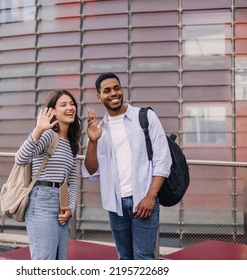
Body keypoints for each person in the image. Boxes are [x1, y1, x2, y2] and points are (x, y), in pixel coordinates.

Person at [81, 73, 172, 260]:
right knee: (124, 258)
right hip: (116, 205)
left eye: (117, 88)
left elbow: (163, 160)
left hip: (143, 200)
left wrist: (150, 196)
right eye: (107, 91)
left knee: (144, 258)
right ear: (99, 96)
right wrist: (92, 141)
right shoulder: (99, 129)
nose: (114, 93)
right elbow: (91, 172)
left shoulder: (145, 116)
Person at [15, 89, 81, 260]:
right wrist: (38, 129)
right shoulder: (48, 136)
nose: (70, 108)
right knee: (44, 259)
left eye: (72, 104)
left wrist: (70, 208)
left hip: (61, 204)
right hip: (41, 201)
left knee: (59, 259)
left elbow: (72, 180)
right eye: (63, 104)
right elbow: (20, 158)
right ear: (53, 111)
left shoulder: (73, 143)